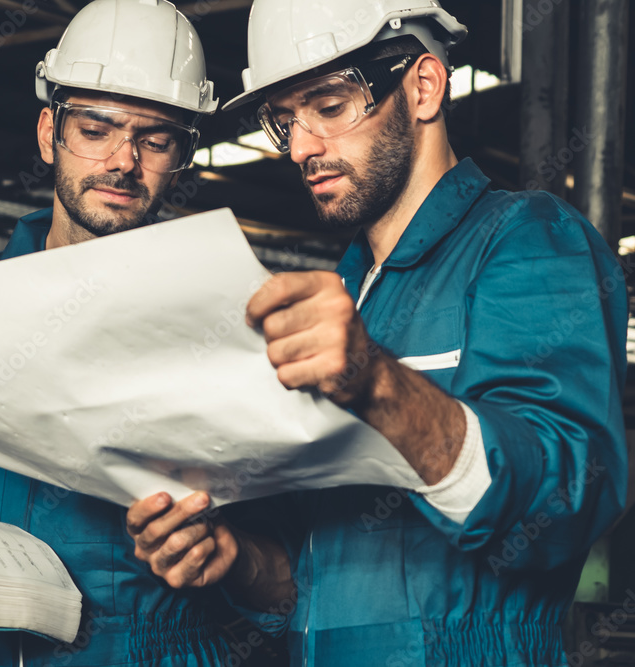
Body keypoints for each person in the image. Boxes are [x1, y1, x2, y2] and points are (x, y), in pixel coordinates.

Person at [126, 1, 630, 664]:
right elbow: (306, 588)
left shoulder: (527, 241)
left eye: (329, 107)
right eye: (285, 122)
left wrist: (382, 385)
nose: (302, 147)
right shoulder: (349, 293)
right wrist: (237, 557)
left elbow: (569, 499)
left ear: (422, 87)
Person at [0, 1, 266, 665]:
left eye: (155, 139)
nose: (123, 161)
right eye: (96, 128)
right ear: (48, 133)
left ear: (183, 157)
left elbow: (281, 575)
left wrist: (230, 554)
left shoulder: (223, 333)